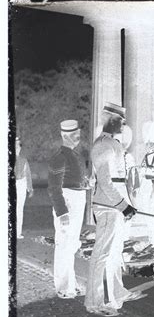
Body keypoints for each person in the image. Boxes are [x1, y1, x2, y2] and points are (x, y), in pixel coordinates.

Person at [85, 103, 146, 317]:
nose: (124, 124)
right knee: (101, 254)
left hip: (115, 206)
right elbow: (106, 182)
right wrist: (123, 206)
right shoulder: (103, 145)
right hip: (108, 206)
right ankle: (94, 302)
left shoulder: (112, 143)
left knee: (114, 253)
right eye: (121, 120)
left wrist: (128, 205)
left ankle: (117, 293)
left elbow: (121, 180)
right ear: (111, 119)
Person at [47, 120, 88, 299]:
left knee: (71, 245)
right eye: (74, 134)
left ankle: (71, 282)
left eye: (78, 133)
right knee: (64, 244)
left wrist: (86, 184)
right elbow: (54, 188)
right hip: (67, 203)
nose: (78, 136)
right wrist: (62, 212)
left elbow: (74, 181)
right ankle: (63, 286)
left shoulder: (74, 155)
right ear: (64, 136)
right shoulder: (59, 157)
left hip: (77, 200)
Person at [15, 136, 33, 239]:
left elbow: (28, 175)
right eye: (14, 145)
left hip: (21, 185)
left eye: (18, 145)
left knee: (19, 209)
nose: (17, 147)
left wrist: (30, 188)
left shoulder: (24, 160)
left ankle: (18, 232)